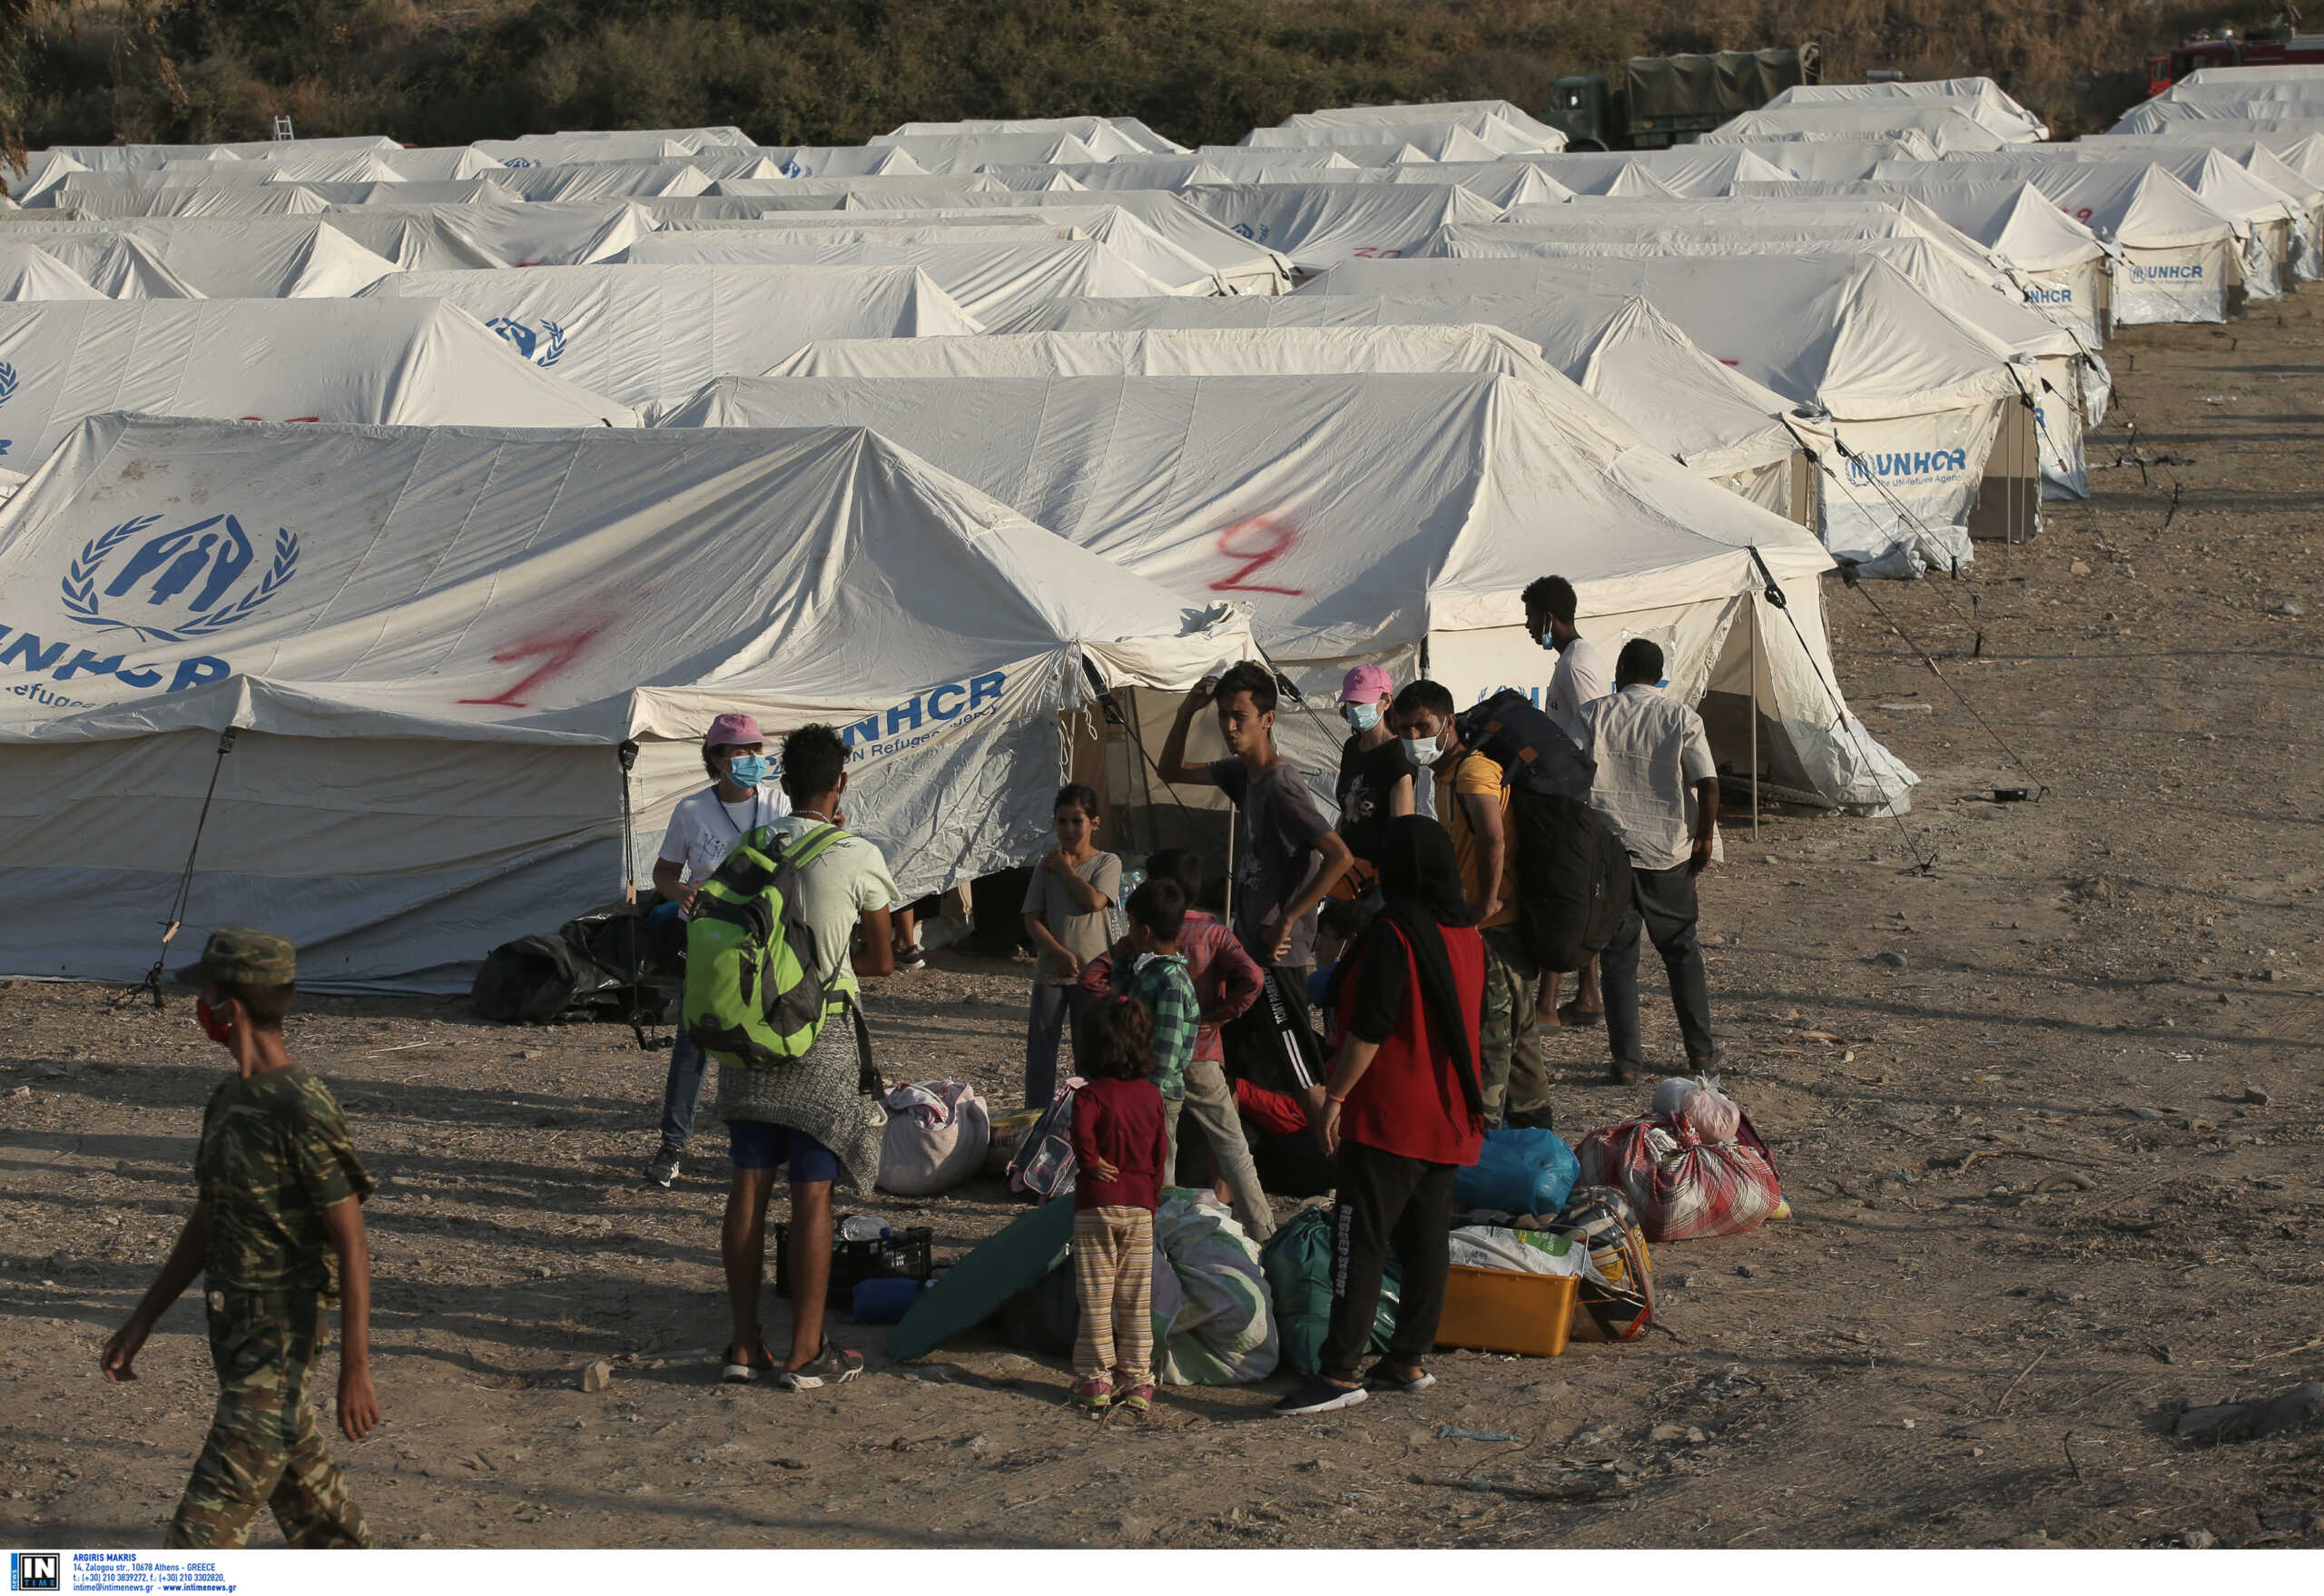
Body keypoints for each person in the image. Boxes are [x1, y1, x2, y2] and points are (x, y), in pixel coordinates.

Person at [102, 927, 377, 1548]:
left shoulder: (301, 1106)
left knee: (200, 1537)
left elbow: (352, 1240)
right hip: (235, 1338)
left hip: (278, 1343)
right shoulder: (229, 1099)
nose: (199, 1005)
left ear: (235, 1006)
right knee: (318, 1516)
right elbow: (208, 1219)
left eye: (207, 992)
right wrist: (142, 1320)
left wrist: (355, 1370)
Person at [1274, 818, 1485, 1417]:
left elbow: (1371, 1026)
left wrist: (1332, 1099)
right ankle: (1408, 1358)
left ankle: (1339, 1371)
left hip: (1391, 1115)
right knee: (1425, 1244)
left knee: (1359, 1243)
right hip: (1448, 1119)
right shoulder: (1467, 933)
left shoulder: (1395, 933)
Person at [715, 724, 895, 1390]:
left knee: (748, 1185)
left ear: (783, 783)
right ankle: (805, 1352)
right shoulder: (855, 853)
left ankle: (742, 1345)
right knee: (812, 1196)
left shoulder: (750, 844)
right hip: (821, 1035)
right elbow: (880, 960)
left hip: (748, 1032)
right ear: (840, 782)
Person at [1081, 850, 1273, 1238]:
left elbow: (1091, 980)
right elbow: (1253, 976)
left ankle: (1160, 1235)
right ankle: (1263, 1229)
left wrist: (1121, 962)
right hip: (1203, 1054)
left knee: (1161, 1155)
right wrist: (1220, 1015)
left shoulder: (1147, 938)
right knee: (1232, 1146)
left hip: (1157, 1066)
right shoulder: (1212, 932)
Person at [1391, 680, 1551, 1130]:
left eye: (1422, 726)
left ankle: (1485, 1138)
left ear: (1449, 723)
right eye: (1405, 729)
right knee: (1520, 1041)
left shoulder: (1472, 771)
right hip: (1501, 923)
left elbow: (1492, 836)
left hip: (1495, 927)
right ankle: (1538, 1137)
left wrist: (1483, 903)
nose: (1414, 737)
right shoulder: (1445, 776)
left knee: (1491, 1040)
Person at [643, 712, 792, 1189]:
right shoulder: (691, 811)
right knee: (694, 1040)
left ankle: (777, 1146)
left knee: (773, 1038)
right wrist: (681, 892)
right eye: (739, 751)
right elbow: (663, 873)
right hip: (709, 944)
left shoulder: (780, 803)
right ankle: (672, 1146)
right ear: (716, 758)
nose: (750, 759)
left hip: (769, 941)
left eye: (755, 750)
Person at [1158, 662, 1353, 997]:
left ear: (1267, 720)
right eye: (1222, 715)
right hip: (1248, 939)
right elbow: (1169, 770)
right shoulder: (1241, 772)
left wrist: (1287, 920)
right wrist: (1187, 711)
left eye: (1239, 716)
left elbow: (1339, 856)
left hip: (1277, 951)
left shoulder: (1282, 785)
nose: (1229, 727)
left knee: (1285, 1048)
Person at [1578, 638, 1721, 1085]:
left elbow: (1571, 774)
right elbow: (1708, 783)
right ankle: (1700, 1054)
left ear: (1620, 669)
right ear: (1659, 675)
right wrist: (1702, 840)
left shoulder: (1594, 714)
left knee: (1619, 959)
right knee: (1681, 952)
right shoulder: (1681, 717)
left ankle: (1626, 1063)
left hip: (1612, 854)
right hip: (1667, 854)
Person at [1067, 996, 1169, 1415]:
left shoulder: (1089, 1096)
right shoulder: (1151, 1096)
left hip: (1096, 1207)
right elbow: (1160, 1156)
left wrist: (1091, 1163)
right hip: (1140, 1208)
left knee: (1094, 1296)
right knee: (1134, 1298)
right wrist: (1150, 1201)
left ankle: (1095, 1379)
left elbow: (1080, 1136)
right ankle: (1138, 1380)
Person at [1524, 576, 1611, 1030]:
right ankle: (1589, 993)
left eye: (1530, 617)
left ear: (1549, 618)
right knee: (1576, 895)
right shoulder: (1573, 660)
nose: (1527, 626)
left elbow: (1594, 734)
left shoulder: (1577, 666)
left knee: (1557, 895)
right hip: (1571, 792)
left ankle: (1547, 1002)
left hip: (1574, 797)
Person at [1020, 782, 1122, 1108]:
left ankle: (1090, 1115)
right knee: (1041, 1049)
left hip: (1094, 972)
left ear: (1094, 822)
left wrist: (1066, 870)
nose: (1068, 829)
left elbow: (1094, 901)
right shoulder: (1046, 865)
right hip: (1052, 971)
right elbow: (1031, 918)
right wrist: (1057, 952)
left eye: (1076, 820)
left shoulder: (1107, 862)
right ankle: (1036, 1119)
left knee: (1089, 1050)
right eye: (1061, 821)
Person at [1333, 662, 1416, 878]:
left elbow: (1403, 824)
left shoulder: (1397, 752)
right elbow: (1346, 813)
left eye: (1363, 702)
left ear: (1386, 702)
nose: (1356, 708)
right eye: (1352, 701)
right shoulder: (1351, 747)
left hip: (1379, 875)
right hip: (1347, 870)